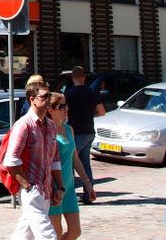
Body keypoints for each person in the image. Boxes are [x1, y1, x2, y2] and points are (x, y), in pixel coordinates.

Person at [3, 80, 64, 240]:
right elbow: (11, 160)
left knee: (24, 234)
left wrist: (60, 186)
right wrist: (28, 186)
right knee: (47, 235)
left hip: (46, 189)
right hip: (32, 191)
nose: (48, 99)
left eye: (49, 95)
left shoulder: (51, 126)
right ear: (32, 99)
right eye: (44, 96)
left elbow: (55, 159)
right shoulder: (24, 125)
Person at [47, 92, 96, 240]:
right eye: (61, 106)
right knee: (56, 233)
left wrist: (88, 184)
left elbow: (75, 158)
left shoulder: (69, 129)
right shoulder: (47, 132)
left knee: (75, 231)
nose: (66, 109)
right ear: (50, 110)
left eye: (66, 105)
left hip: (69, 188)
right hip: (54, 189)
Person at [64, 66, 105, 205]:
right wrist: (89, 115)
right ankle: (88, 194)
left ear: (72, 78)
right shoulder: (91, 92)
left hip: (75, 132)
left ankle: (69, 195)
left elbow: (64, 112)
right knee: (85, 163)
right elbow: (101, 112)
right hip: (89, 132)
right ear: (84, 77)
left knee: (70, 163)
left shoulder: (69, 93)